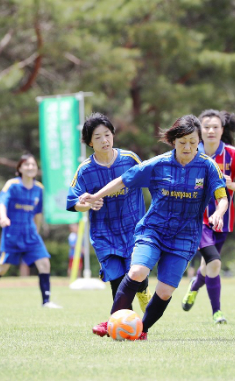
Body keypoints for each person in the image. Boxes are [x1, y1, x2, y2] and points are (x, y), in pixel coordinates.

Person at [81, 115, 228, 340]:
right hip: (154, 230)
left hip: (185, 236)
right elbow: (123, 180)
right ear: (173, 142)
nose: (187, 147)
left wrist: (218, 212)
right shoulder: (158, 164)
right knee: (137, 272)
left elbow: (222, 196)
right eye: (182, 142)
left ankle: (142, 329)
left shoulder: (208, 166)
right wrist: (96, 196)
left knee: (165, 291)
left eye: (192, 141)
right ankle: (112, 322)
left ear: (198, 140)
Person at [66, 112, 150, 337]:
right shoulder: (84, 170)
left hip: (134, 229)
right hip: (104, 233)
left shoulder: (129, 159)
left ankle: (141, 295)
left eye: (108, 134)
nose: (105, 140)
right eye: (98, 136)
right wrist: (87, 205)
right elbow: (73, 202)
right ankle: (132, 327)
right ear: (89, 142)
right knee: (116, 278)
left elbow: (151, 180)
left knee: (136, 275)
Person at [181, 109, 235, 324]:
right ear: (199, 131)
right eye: (206, 127)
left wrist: (230, 184)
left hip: (223, 219)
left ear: (222, 130)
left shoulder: (234, 155)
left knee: (209, 265)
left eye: (215, 127)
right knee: (214, 262)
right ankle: (217, 312)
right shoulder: (190, 152)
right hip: (196, 220)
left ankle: (195, 285)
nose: (211, 131)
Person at [0, 153, 62, 309]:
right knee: (2, 267)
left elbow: (37, 213)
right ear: (20, 168)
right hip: (13, 232)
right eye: (27, 164)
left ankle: (46, 301)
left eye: (33, 165)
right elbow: (2, 203)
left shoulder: (39, 188)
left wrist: (36, 230)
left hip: (30, 233)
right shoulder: (12, 185)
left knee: (44, 263)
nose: (30, 167)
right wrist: (3, 218)